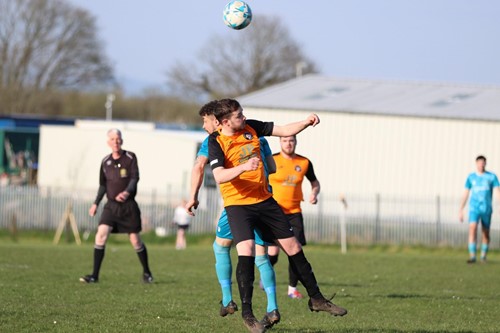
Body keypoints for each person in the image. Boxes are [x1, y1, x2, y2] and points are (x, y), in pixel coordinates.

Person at [208, 98, 347, 333]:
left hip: (265, 201)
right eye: (239, 115)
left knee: (293, 247)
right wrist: (243, 167)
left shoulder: (251, 126)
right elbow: (219, 176)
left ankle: (316, 299)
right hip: (238, 205)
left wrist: (306, 122)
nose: (244, 116)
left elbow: (283, 130)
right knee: (248, 252)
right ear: (225, 121)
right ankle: (248, 314)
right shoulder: (216, 141)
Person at [186, 100, 281, 329]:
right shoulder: (257, 135)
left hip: (240, 203)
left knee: (220, 247)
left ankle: (228, 300)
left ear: (217, 121)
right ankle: (272, 307)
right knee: (261, 255)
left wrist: (193, 196)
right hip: (265, 199)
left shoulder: (215, 140)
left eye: (205, 121)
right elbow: (274, 168)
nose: (203, 126)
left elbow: (199, 167)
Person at [80, 129, 153, 283]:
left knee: (135, 240)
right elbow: (102, 185)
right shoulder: (105, 161)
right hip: (111, 206)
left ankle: (147, 273)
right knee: (100, 235)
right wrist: (95, 203)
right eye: (112, 139)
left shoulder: (130, 157)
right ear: (108, 142)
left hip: (128, 207)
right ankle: (94, 276)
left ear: (122, 140)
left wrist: (126, 192)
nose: (115, 142)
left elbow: (135, 178)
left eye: (118, 139)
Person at [267, 135, 320, 299]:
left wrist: (314, 194)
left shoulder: (304, 162)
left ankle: (292, 289)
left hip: (294, 213)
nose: (288, 144)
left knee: (295, 252)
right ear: (280, 142)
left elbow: (315, 182)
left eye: (291, 140)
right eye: (284, 141)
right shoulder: (271, 160)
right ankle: (265, 277)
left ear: (296, 142)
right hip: (273, 213)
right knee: (272, 253)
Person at [459, 155, 500, 263]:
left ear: (485, 164)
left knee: (485, 232)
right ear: (476, 163)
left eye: (483, 163)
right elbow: (466, 193)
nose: (481, 165)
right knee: (472, 228)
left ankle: (483, 256)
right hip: (474, 208)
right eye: (479, 163)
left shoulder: (492, 177)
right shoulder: (471, 177)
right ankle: (472, 256)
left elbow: (497, 192)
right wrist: (461, 209)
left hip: (486, 208)